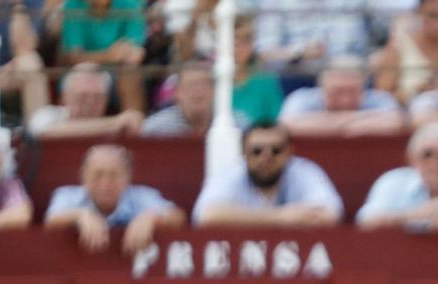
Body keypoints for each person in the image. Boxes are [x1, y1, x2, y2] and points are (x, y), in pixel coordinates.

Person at [45, 143, 185, 252]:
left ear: (127, 178)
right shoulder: (67, 195)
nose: (105, 183)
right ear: (83, 177)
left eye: (114, 175)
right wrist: (81, 215)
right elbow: (51, 220)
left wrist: (151, 218)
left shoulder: (141, 196)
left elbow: (178, 217)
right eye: (98, 174)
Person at [194, 123, 344, 226]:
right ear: (243, 153)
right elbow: (206, 216)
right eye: (257, 151)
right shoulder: (231, 173)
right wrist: (280, 217)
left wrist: (244, 219)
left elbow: (330, 215)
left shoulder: (304, 171)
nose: (266, 158)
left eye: (276, 150)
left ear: (289, 152)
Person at [57, 0, 146, 113]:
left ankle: (132, 124)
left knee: (130, 70)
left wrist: (126, 54)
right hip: (83, 71)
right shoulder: (73, 5)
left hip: (118, 72)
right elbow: (74, 58)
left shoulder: (131, 4)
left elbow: (135, 51)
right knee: (81, 78)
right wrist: (108, 55)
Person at [279, 56, 408, 133]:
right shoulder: (302, 98)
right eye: (337, 92)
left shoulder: (379, 98)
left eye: (353, 92)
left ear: (364, 87)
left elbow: (396, 122)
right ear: (322, 87)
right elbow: (288, 124)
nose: (345, 100)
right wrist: (359, 120)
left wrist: (326, 123)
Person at [30, 62, 144, 138]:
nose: (90, 103)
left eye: (97, 97)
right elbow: (42, 133)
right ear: (65, 97)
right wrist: (114, 122)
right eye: (83, 97)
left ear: (106, 99)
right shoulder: (49, 114)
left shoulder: (119, 125)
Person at [143, 60, 248, 135]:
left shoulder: (236, 125)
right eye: (190, 85)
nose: (197, 91)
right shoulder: (156, 129)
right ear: (177, 93)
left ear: (215, 91)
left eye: (204, 84)